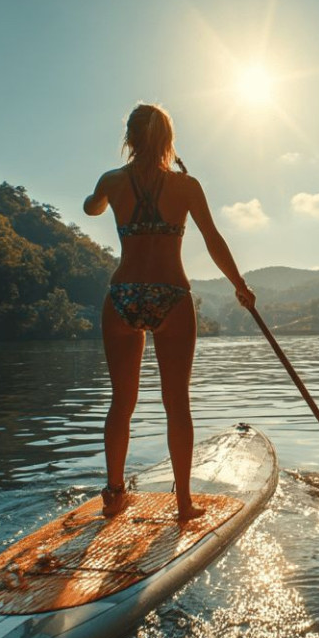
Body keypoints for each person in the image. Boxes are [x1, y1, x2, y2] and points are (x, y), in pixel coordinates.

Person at [84, 103, 255, 522]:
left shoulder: (112, 180)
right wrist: (239, 286)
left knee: (120, 402)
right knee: (176, 402)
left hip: (122, 294)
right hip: (171, 294)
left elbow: (92, 208)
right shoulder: (187, 185)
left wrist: (99, 197)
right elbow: (213, 240)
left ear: (130, 138)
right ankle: (183, 504)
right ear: (167, 140)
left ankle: (114, 495)